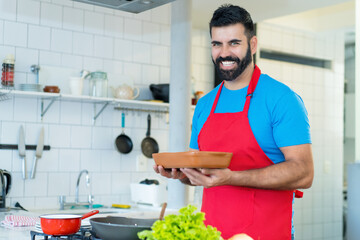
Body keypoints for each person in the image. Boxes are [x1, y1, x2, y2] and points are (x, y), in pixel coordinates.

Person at [154, 4, 314, 240]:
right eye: (217, 44)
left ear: (253, 45)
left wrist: (233, 177)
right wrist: (182, 174)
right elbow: (201, 171)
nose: (224, 53)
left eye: (234, 43)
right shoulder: (205, 104)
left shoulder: (282, 99)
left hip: (266, 234)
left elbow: (304, 173)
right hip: (212, 235)